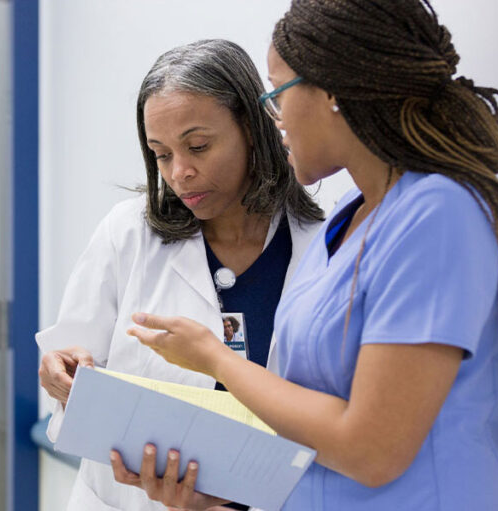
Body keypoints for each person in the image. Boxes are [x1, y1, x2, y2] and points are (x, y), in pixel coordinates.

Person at [115, 1, 498, 510]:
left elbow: (371, 451)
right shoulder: (347, 221)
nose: (275, 118)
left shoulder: (437, 213)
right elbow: (309, 435)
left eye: (277, 93)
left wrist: (214, 358)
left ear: (332, 93)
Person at [35, 39, 325, 511]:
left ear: (253, 129)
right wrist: (61, 373)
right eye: (161, 154)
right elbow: (72, 366)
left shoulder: (321, 249)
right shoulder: (127, 234)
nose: (180, 172)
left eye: (198, 146)